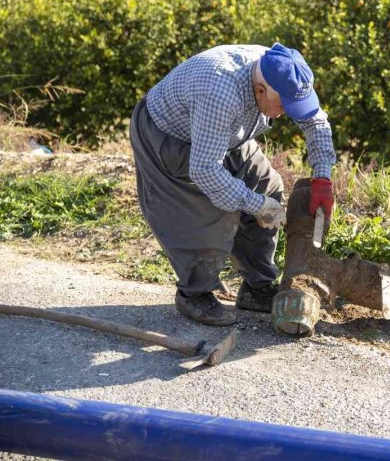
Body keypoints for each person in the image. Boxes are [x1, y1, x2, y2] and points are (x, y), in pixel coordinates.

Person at [129, 43, 336, 326]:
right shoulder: (220, 91)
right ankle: (194, 293)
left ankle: (257, 286)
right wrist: (258, 207)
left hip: (227, 134)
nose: (289, 113)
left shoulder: (285, 71)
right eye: (285, 106)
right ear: (260, 91)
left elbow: (315, 121)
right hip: (170, 137)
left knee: (267, 185)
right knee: (214, 212)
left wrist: (323, 177)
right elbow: (205, 170)